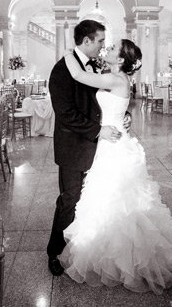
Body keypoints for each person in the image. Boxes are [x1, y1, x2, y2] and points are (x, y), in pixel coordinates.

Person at [58, 39, 172, 295]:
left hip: (113, 146)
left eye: (113, 48)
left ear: (121, 59)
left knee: (113, 198)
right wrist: (125, 118)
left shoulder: (116, 80)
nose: (108, 49)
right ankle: (111, 253)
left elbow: (77, 74)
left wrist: (69, 53)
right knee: (108, 198)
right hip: (112, 139)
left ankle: (119, 259)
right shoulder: (115, 77)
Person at [46, 20, 123, 277]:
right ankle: (55, 252)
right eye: (100, 41)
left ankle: (80, 247)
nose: (103, 46)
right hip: (73, 148)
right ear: (87, 41)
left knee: (90, 200)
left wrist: (121, 116)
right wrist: (99, 130)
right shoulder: (61, 70)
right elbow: (66, 113)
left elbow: (103, 100)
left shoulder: (95, 66)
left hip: (98, 147)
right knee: (69, 200)